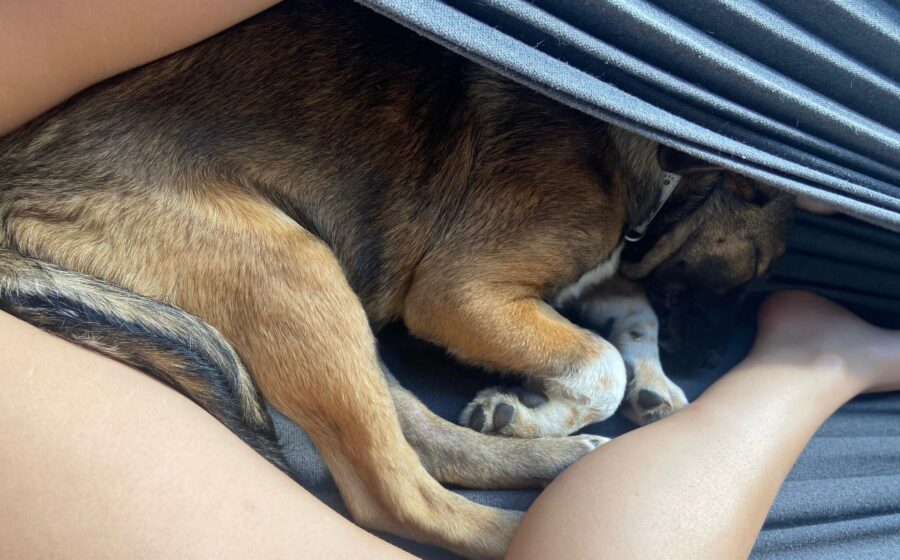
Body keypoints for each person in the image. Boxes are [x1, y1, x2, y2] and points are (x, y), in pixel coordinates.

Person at [2, 3, 898, 558]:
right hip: (132, 191)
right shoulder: (578, 186)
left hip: (155, 173)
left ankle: (436, 450)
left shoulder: (596, 194)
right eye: (752, 261)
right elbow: (455, 302)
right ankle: (416, 502)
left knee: (306, 291)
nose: (736, 282)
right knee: (292, 278)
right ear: (738, 187)